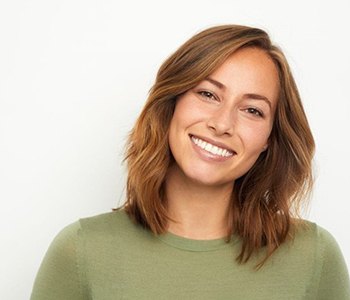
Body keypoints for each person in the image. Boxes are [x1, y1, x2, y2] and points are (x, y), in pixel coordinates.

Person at [31, 24, 350, 299]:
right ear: (171, 103)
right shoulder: (81, 251)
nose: (222, 124)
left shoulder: (314, 258)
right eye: (208, 94)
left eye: (252, 110)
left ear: (270, 139)